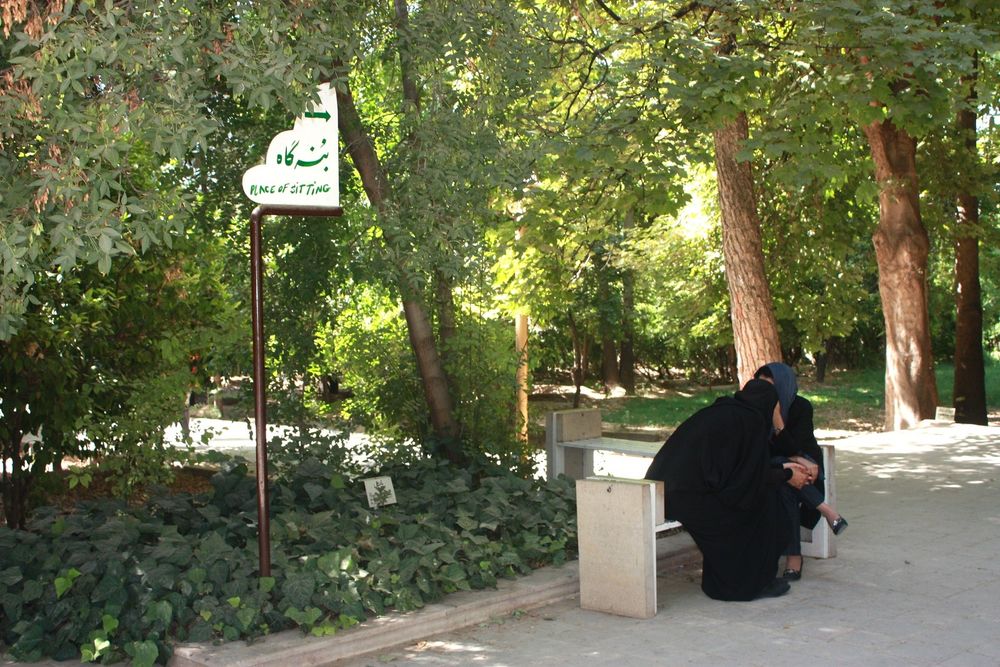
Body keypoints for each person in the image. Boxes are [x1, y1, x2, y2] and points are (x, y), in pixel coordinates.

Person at [644, 379, 810, 601]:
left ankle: (725, 581)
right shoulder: (751, 421)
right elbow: (744, 484)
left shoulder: (725, 411)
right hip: (686, 497)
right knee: (763, 510)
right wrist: (787, 475)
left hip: (664, 491)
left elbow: (737, 468)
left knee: (757, 501)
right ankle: (750, 584)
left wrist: (781, 469)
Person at [754, 362, 848, 581]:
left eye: (770, 388)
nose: (765, 393)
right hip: (770, 469)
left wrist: (778, 421)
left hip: (804, 469)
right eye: (761, 387)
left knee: (787, 481)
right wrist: (792, 458)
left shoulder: (800, 407)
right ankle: (827, 511)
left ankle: (794, 555)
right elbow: (760, 452)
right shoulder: (752, 409)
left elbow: (798, 445)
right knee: (785, 473)